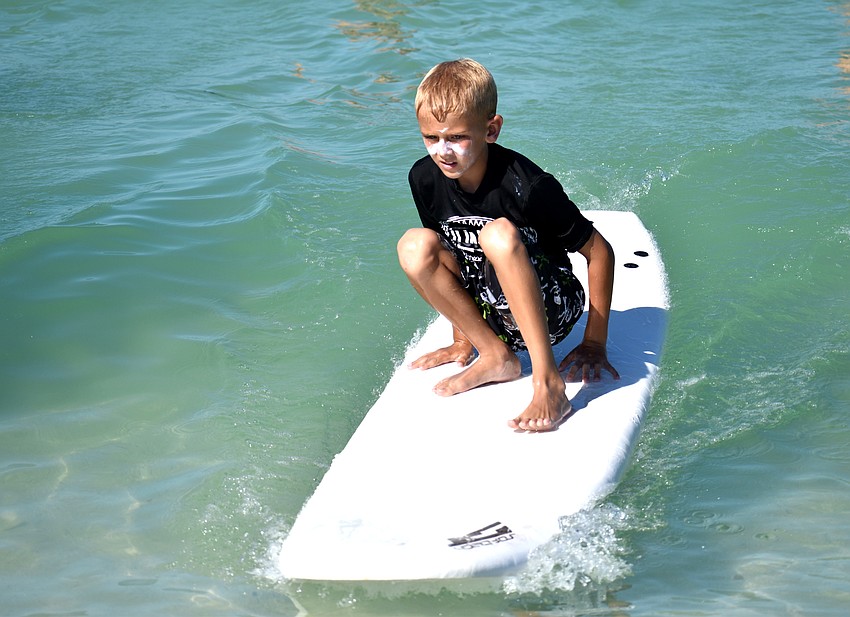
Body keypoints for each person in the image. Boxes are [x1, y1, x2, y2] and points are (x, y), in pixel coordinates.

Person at [397, 58, 619, 432]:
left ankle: (548, 382)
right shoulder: (424, 178)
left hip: (551, 308)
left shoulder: (528, 186)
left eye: (457, 138)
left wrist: (595, 341)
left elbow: (600, 252)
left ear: (491, 129)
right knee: (414, 245)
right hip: (494, 313)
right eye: (431, 138)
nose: (443, 152)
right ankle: (495, 354)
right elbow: (450, 255)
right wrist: (462, 337)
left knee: (497, 235)